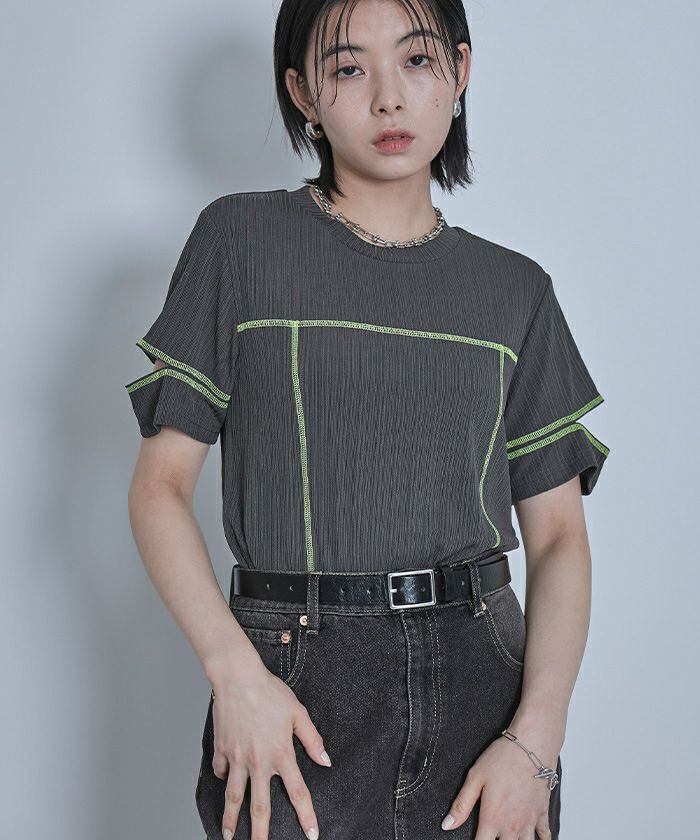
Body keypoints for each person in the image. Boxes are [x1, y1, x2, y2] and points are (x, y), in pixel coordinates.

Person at [125, 1, 610, 838]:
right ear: (302, 93)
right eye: (349, 68)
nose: (389, 97)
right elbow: (160, 488)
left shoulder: (516, 291)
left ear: (460, 71)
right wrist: (235, 675)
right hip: (291, 681)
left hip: (483, 686)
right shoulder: (239, 241)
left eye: (416, 60)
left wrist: (537, 740)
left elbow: (561, 537)